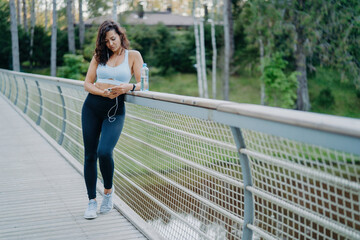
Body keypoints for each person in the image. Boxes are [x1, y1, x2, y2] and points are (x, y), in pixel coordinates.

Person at [81, 20, 143, 219]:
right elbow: (88, 84)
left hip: (115, 110)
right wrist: (101, 93)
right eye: (106, 41)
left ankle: (108, 192)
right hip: (92, 107)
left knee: (104, 151)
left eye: (113, 39)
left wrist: (128, 87)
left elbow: (143, 84)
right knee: (90, 155)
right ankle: (91, 201)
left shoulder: (133, 56)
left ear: (120, 35)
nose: (111, 44)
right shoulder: (99, 56)